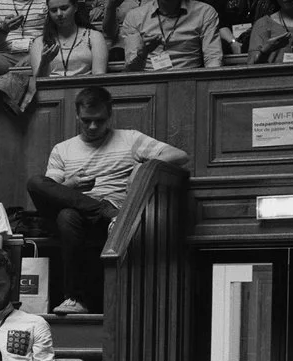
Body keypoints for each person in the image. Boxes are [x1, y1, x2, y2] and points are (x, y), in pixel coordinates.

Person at [31, 86, 190, 317]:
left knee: (68, 217)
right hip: (92, 211)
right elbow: (49, 190)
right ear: (77, 116)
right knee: (36, 182)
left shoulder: (130, 139)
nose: (93, 126)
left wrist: (144, 167)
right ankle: (104, 211)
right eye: (86, 121)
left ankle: (74, 299)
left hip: (111, 221)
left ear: (110, 114)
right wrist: (72, 184)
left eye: (100, 120)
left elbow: (180, 156)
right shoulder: (62, 149)